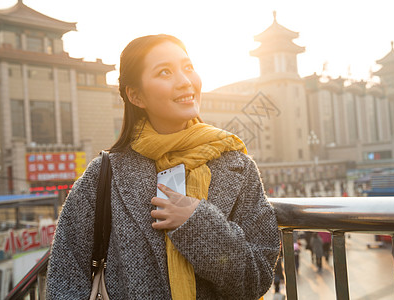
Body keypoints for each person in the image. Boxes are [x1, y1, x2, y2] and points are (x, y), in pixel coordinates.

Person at [46, 34, 280, 299]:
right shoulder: (104, 175)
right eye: (165, 72)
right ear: (136, 96)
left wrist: (197, 223)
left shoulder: (237, 167)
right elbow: (65, 279)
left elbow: (257, 278)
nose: (185, 81)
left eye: (188, 67)